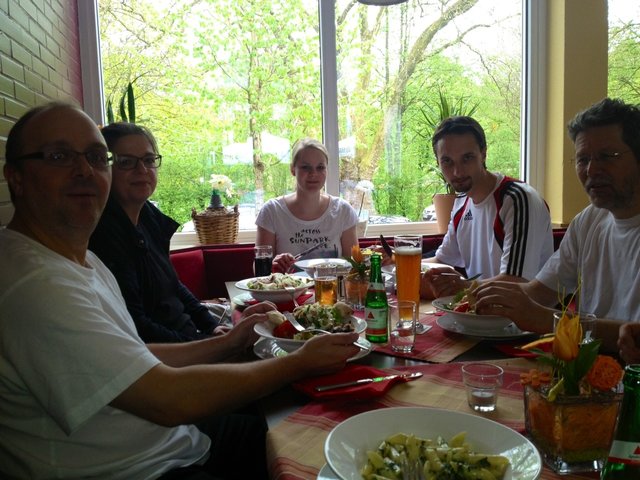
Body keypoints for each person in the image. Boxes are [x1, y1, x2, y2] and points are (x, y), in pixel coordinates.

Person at [0, 102, 360, 479]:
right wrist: (297, 362)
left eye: (94, 157)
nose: (84, 171)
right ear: (16, 177)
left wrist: (230, 342)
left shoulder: (80, 259)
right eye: (59, 156)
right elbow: (166, 399)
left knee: (303, 429)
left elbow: (137, 354)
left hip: (170, 442)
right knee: (306, 439)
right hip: (139, 469)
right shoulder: (35, 285)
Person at [473, 98, 640, 353]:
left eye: (607, 156)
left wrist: (549, 320)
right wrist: (468, 293)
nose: (592, 170)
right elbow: (538, 292)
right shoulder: (588, 221)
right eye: (582, 159)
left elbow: (635, 336)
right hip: (580, 368)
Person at [89, 122, 227, 343]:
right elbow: (137, 328)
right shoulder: (104, 238)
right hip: (171, 353)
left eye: (148, 160)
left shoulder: (149, 218)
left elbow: (173, 285)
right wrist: (206, 343)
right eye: (126, 162)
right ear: (105, 168)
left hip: (190, 336)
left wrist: (211, 325)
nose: (142, 170)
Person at [420, 116, 554, 299]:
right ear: (438, 163)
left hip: (524, 316)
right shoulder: (461, 203)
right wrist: (395, 264)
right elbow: (441, 260)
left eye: (467, 158)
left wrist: (463, 286)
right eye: (447, 161)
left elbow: (517, 282)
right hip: (478, 311)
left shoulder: (518, 200)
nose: (457, 171)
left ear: (483, 154)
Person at [255, 138, 358, 273]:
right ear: (293, 169)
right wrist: (273, 265)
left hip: (331, 287)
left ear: (327, 170)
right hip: (287, 286)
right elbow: (259, 272)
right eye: (305, 167)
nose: (313, 174)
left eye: (320, 167)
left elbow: (355, 267)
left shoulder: (343, 211)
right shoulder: (272, 211)